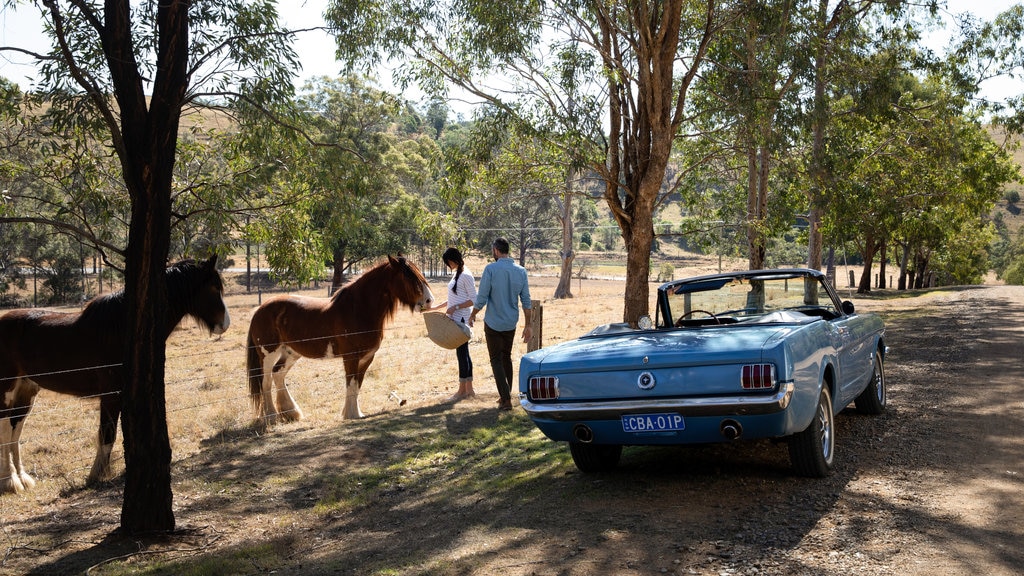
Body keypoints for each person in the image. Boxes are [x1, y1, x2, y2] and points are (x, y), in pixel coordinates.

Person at [468, 238, 532, 411]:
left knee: (496, 359)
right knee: (506, 357)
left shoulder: (490, 269)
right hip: (511, 322)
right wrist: (528, 325)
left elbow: (482, 297)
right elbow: (526, 300)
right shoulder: (521, 271)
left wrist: (473, 314)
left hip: (493, 322)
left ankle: (506, 399)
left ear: (496, 250)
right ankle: (505, 395)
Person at [428, 247, 477, 402]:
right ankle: (468, 389)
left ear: (452, 260)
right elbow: (453, 299)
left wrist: (456, 308)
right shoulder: (458, 273)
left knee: (462, 354)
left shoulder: (466, 275)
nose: (448, 265)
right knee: (464, 354)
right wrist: (436, 308)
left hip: (461, 320)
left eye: (447, 262)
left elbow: (474, 299)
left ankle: (463, 390)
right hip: (455, 318)